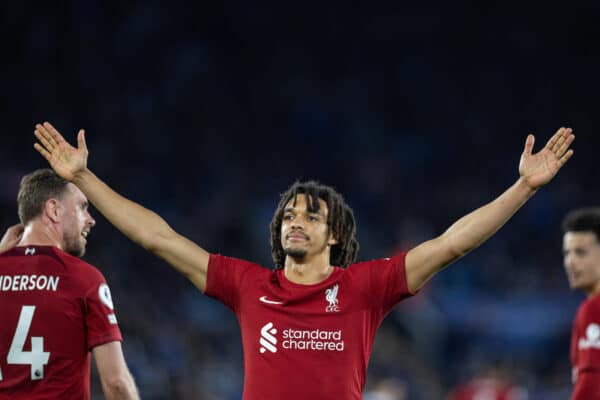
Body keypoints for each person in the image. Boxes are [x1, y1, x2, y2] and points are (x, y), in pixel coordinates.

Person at [33, 121, 574, 399]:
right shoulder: (247, 284)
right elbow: (159, 238)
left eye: (311, 215)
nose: (295, 219)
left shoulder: (367, 287)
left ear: (335, 235)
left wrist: (522, 188)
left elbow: (452, 243)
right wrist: (81, 177)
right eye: (289, 213)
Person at [0, 169, 139, 400]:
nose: (91, 219)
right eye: (82, 207)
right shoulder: (84, 279)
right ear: (54, 210)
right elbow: (117, 384)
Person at [562, 208, 600, 398]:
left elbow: (592, 384)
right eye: (567, 253)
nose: (570, 262)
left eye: (580, 253)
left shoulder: (594, 309)